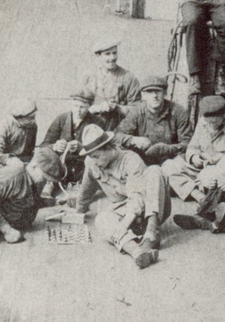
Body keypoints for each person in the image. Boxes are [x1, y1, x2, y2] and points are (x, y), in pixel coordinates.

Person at [76, 124, 172, 268]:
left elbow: (138, 197)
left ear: (108, 148)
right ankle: (137, 251)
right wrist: (78, 211)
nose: (94, 162)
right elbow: (86, 190)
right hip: (126, 213)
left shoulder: (131, 159)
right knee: (101, 219)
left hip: (150, 208)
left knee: (155, 171)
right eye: (91, 157)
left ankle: (151, 234)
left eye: (96, 156)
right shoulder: (91, 162)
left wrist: (124, 224)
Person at [161, 95, 225, 200]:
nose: (211, 124)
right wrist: (194, 157)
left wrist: (219, 158)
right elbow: (192, 147)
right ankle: (198, 195)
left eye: (215, 122)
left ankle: (190, 188)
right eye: (208, 121)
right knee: (168, 165)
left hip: (218, 173)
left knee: (217, 182)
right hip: (198, 170)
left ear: (224, 114)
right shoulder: (202, 122)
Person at [114, 75, 193, 166]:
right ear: (143, 95)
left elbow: (188, 143)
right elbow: (116, 136)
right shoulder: (137, 112)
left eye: (158, 91)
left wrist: (168, 149)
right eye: (150, 92)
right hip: (143, 161)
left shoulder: (179, 112)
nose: (154, 96)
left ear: (165, 93)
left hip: (171, 161)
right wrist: (133, 140)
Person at [42, 89, 102, 183]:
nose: (78, 110)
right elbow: (44, 145)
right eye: (75, 106)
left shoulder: (96, 122)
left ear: (90, 106)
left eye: (82, 107)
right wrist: (55, 146)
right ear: (71, 104)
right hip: (60, 166)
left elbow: (101, 151)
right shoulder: (61, 119)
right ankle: (51, 184)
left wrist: (82, 148)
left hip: (83, 168)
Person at [82, 40, 141, 130]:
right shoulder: (89, 77)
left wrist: (117, 108)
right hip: (92, 128)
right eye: (107, 54)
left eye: (114, 53)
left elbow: (137, 110)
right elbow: (80, 105)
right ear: (98, 55)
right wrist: (96, 108)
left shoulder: (128, 78)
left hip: (119, 128)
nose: (112, 58)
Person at [0, 99, 40, 176]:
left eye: (34, 117)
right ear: (19, 118)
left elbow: (29, 153)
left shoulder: (32, 126)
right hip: (0, 163)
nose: (34, 121)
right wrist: (9, 160)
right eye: (30, 118)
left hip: (21, 164)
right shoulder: (3, 126)